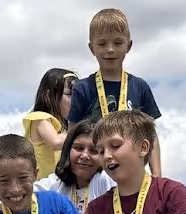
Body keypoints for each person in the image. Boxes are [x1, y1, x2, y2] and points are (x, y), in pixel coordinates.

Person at [67, 8, 162, 176]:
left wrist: (157, 175)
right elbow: (72, 135)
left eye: (118, 43)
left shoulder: (140, 86)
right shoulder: (82, 88)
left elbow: (151, 135)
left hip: (134, 173)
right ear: (91, 48)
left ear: (129, 45)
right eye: (102, 44)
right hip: (95, 174)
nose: (110, 50)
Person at [22, 68, 77, 179]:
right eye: (69, 94)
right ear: (48, 96)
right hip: (42, 187)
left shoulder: (64, 127)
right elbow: (55, 141)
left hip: (59, 186)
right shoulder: (39, 118)